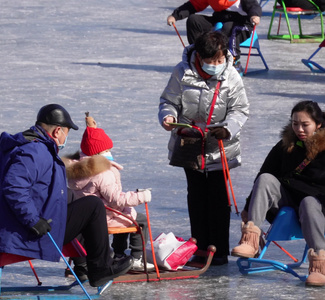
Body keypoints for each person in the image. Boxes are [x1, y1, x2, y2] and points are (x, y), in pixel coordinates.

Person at [0, 104, 133, 287]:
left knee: (71, 198)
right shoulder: (37, 151)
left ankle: (86, 265)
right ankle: (100, 268)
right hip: (32, 231)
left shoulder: (18, 144)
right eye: (66, 133)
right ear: (57, 131)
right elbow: (14, 186)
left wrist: (2, 210)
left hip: (10, 227)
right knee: (93, 206)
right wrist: (32, 220)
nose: (65, 139)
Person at [158, 31, 250, 265]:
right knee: (196, 195)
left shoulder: (231, 75)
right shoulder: (182, 72)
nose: (216, 66)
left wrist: (228, 128)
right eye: (211, 61)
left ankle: (218, 251)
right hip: (190, 143)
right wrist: (168, 117)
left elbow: (240, 109)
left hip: (220, 145)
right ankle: (199, 247)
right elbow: (168, 101)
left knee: (218, 197)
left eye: (219, 60)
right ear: (199, 56)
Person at [231, 100, 325, 287]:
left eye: (305, 124)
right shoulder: (285, 145)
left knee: (308, 201)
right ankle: (251, 239)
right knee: (266, 178)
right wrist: (249, 207)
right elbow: (262, 176)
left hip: (316, 205)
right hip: (287, 200)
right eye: (295, 123)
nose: (299, 129)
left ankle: (319, 264)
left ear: (318, 124)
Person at [62, 113, 154, 272]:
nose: (109, 152)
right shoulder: (102, 173)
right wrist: (141, 196)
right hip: (104, 217)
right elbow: (116, 200)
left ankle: (118, 254)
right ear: (99, 153)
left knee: (124, 213)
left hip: (89, 217)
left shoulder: (79, 170)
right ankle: (137, 258)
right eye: (107, 150)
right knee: (139, 219)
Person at [166, 0, 262, 72]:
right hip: (220, 20)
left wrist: (254, 15)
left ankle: (234, 61)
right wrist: (175, 15)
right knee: (194, 20)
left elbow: (253, 5)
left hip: (242, 24)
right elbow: (194, 4)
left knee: (228, 27)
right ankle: (200, 55)